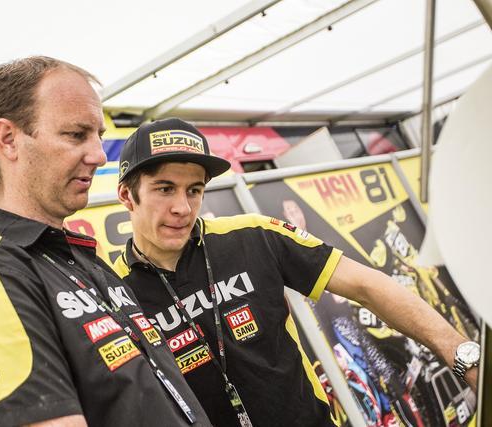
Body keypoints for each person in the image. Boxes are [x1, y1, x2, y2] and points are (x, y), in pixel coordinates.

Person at [112, 118, 480, 427]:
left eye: (194, 190)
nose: (182, 207)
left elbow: (366, 285)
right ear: (128, 196)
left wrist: (463, 356)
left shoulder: (253, 235)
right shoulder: (113, 292)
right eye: (165, 189)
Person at [0, 58, 211, 427]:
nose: (99, 155)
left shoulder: (78, 256)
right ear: (8, 139)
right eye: (76, 135)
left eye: (98, 135)